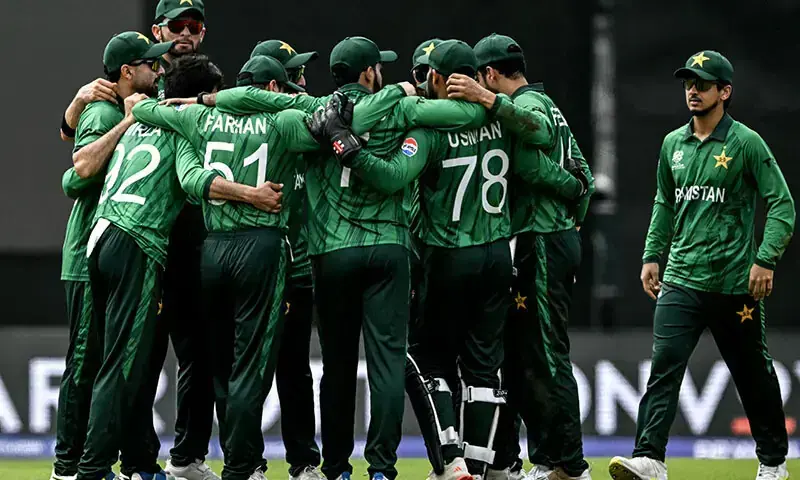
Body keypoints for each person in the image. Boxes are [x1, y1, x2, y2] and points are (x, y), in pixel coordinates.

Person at [315, 39, 589, 480]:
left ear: (439, 78)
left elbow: (393, 176)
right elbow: (537, 148)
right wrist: (574, 187)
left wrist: (349, 149)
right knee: (484, 367)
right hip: (497, 256)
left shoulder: (428, 127)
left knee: (430, 360)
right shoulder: (499, 119)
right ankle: (481, 466)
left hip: (445, 255)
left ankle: (451, 461)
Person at [131, 54, 320, 480]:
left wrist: (205, 102)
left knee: (223, 367)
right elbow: (324, 112)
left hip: (213, 250)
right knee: (252, 369)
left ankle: (243, 462)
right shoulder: (283, 119)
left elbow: (141, 109)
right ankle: (241, 466)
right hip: (261, 245)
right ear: (271, 89)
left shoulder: (200, 117)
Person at [608, 50, 795, 480]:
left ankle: (772, 462)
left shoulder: (746, 143)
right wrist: (651, 254)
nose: (693, 90)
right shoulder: (673, 144)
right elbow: (664, 202)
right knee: (664, 368)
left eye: (703, 84)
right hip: (682, 278)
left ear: (724, 92)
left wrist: (765, 259)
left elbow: (782, 204)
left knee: (753, 376)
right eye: (688, 83)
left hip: (735, 285)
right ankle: (650, 458)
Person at [447, 33, 596, 480]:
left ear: (490, 74)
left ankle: (571, 466)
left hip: (542, 239)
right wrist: (575, 209)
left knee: (547, 355)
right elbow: (585, 176)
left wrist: (568, 197)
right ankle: (546, 460)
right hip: (550, 237)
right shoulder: (549, 103)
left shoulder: (526, 107)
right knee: (526, 355)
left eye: (480, 78)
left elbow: (534, 162)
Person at [67, 31, 170, 480]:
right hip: (112, 244)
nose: (158, 70)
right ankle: (75, 466)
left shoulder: (138, 107)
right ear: (127, 71)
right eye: (151, 64)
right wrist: (121, 119)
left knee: (119, 362)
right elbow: (78, 172)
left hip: (108, 241)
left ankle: (130, 462)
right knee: (97, 364)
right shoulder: (105, 110)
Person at [250, 38, 324, 480]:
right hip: (261, 265)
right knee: (256, 369)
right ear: (275, 82)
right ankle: (250, 461)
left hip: (297, 265)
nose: (303, 80)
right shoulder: (273, 121)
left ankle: (303, 461)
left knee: (294, 369)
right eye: (295, 74)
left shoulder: (295, 116)